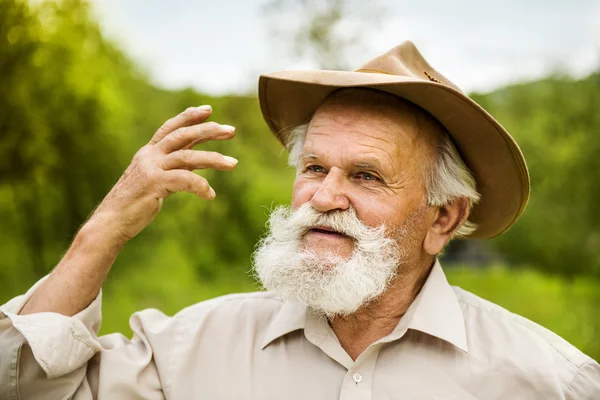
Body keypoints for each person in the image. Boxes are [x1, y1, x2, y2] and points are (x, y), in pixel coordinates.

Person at [1, 41, 598, 399]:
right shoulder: (190, 349)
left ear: (444, 219)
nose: (324, 197)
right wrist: (104, 228)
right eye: (314, 168)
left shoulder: (547, 379)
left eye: (365, 176)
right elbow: (26, 387)